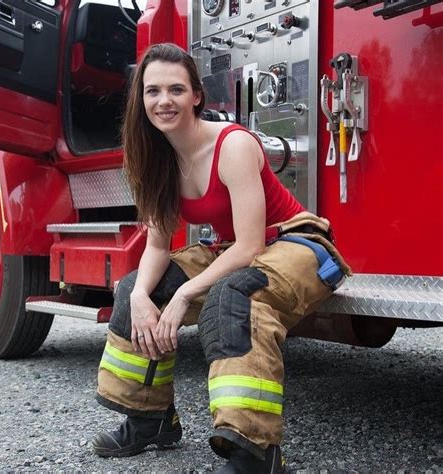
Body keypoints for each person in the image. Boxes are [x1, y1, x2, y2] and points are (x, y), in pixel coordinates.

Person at [92, 43, 351, 473]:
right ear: (141, 99)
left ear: (196, 96)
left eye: (176, 89)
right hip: (238, 249)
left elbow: (250, 248)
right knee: (138, 288)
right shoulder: (155, 158)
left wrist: (184, 297)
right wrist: (140, 295)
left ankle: (255, 450)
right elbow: (157, 244)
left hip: (294, 241)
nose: (164, 101)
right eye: (152, 91)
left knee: (235, 298)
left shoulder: (233, 146)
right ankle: (150, 419)